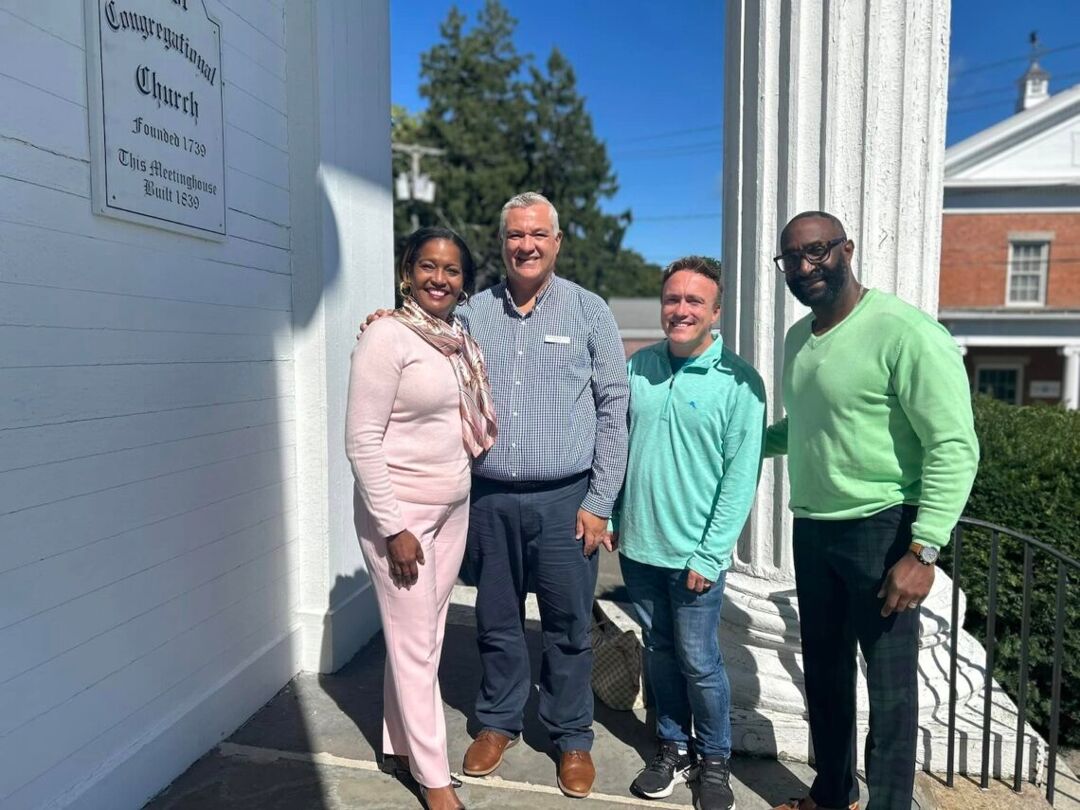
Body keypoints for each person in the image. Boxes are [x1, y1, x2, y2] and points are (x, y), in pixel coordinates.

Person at [765, 212, 979, 810]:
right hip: (813, 530)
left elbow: (954, 445)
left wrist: (924, 548)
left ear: (847, 250)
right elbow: (803, 427)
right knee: (827, 679)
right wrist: (740, 442)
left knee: (889, 695)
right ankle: (831, 794)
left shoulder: (904, 332)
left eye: (818, 252)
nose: (805, 267)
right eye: (792, 259)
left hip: (884, 531)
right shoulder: (799, 340)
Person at [458, 192, 629, 799]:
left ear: (557, 242)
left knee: (568, 626)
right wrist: (387, 321)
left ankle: (571, 735)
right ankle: (499, 721)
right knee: (497, 620)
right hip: (492, 499)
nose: (525, 245)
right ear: (501, 243)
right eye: (514, 235)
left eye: (537, 235)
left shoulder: (589, 312)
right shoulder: (471, 316)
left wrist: (600, 500)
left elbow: (614, 409)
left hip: (568, 501)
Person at [346, 227, 497, 810]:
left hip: (452, 505)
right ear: (407, 270)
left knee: (425, 636)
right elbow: (361, 439)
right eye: (428, 266)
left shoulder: (455, 338)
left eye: (452, 270)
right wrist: (393, 527)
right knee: (414, 643)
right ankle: (435, 781)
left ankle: (400, 744)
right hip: (401, 515)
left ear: (464, 282)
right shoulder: (386, 337)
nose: (440, 278)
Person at [612, 256, 765, 810]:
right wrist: (608, 514)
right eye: (673, 299)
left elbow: (739, 477)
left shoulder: (740, 383)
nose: (680, 309)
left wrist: (711, 553)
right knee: (658, 651)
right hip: (640, 548)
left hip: (696, 557)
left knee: (700, 661)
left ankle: (715, 758)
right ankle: (672, 747)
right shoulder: (639, 368)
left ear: (715, 311)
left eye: (694, 301)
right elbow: (617, 450)